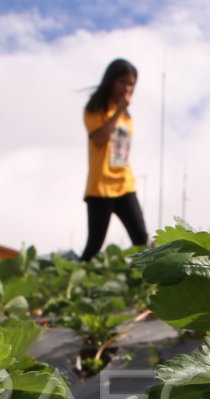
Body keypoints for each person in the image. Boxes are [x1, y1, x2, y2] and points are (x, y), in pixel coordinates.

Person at [81, 58, 148, 262]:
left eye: (131, 84)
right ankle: (71, 284)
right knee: (94, 245)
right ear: (111, 82)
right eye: (123, 82)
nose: (127, 88)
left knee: (141, 238)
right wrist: (118, 110)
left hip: (124, 184)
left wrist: (122, 111)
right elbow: (99, 138)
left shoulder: (128, 117)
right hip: (101, 187)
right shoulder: (94, 110)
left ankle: (141, 285)